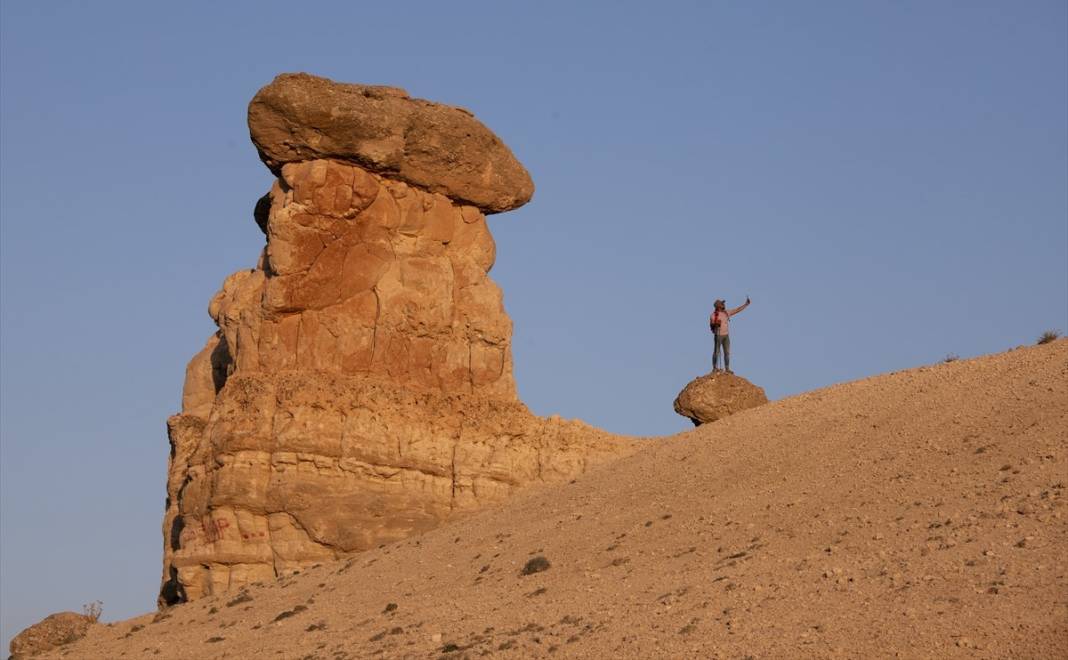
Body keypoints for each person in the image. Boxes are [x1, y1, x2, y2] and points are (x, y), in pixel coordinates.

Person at [710, 296, 750, 373]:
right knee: (716, 352)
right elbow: (711, 325)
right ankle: (714, 368)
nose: (723, 305)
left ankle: (727, 369)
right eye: (722, 304)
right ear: (718, 306)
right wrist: (716, 324)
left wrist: (745, 305)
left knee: (727, 352)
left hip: (726, 335)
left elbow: (737, 310)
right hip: (718, 335)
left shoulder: (726, 313)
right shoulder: (713, 315)